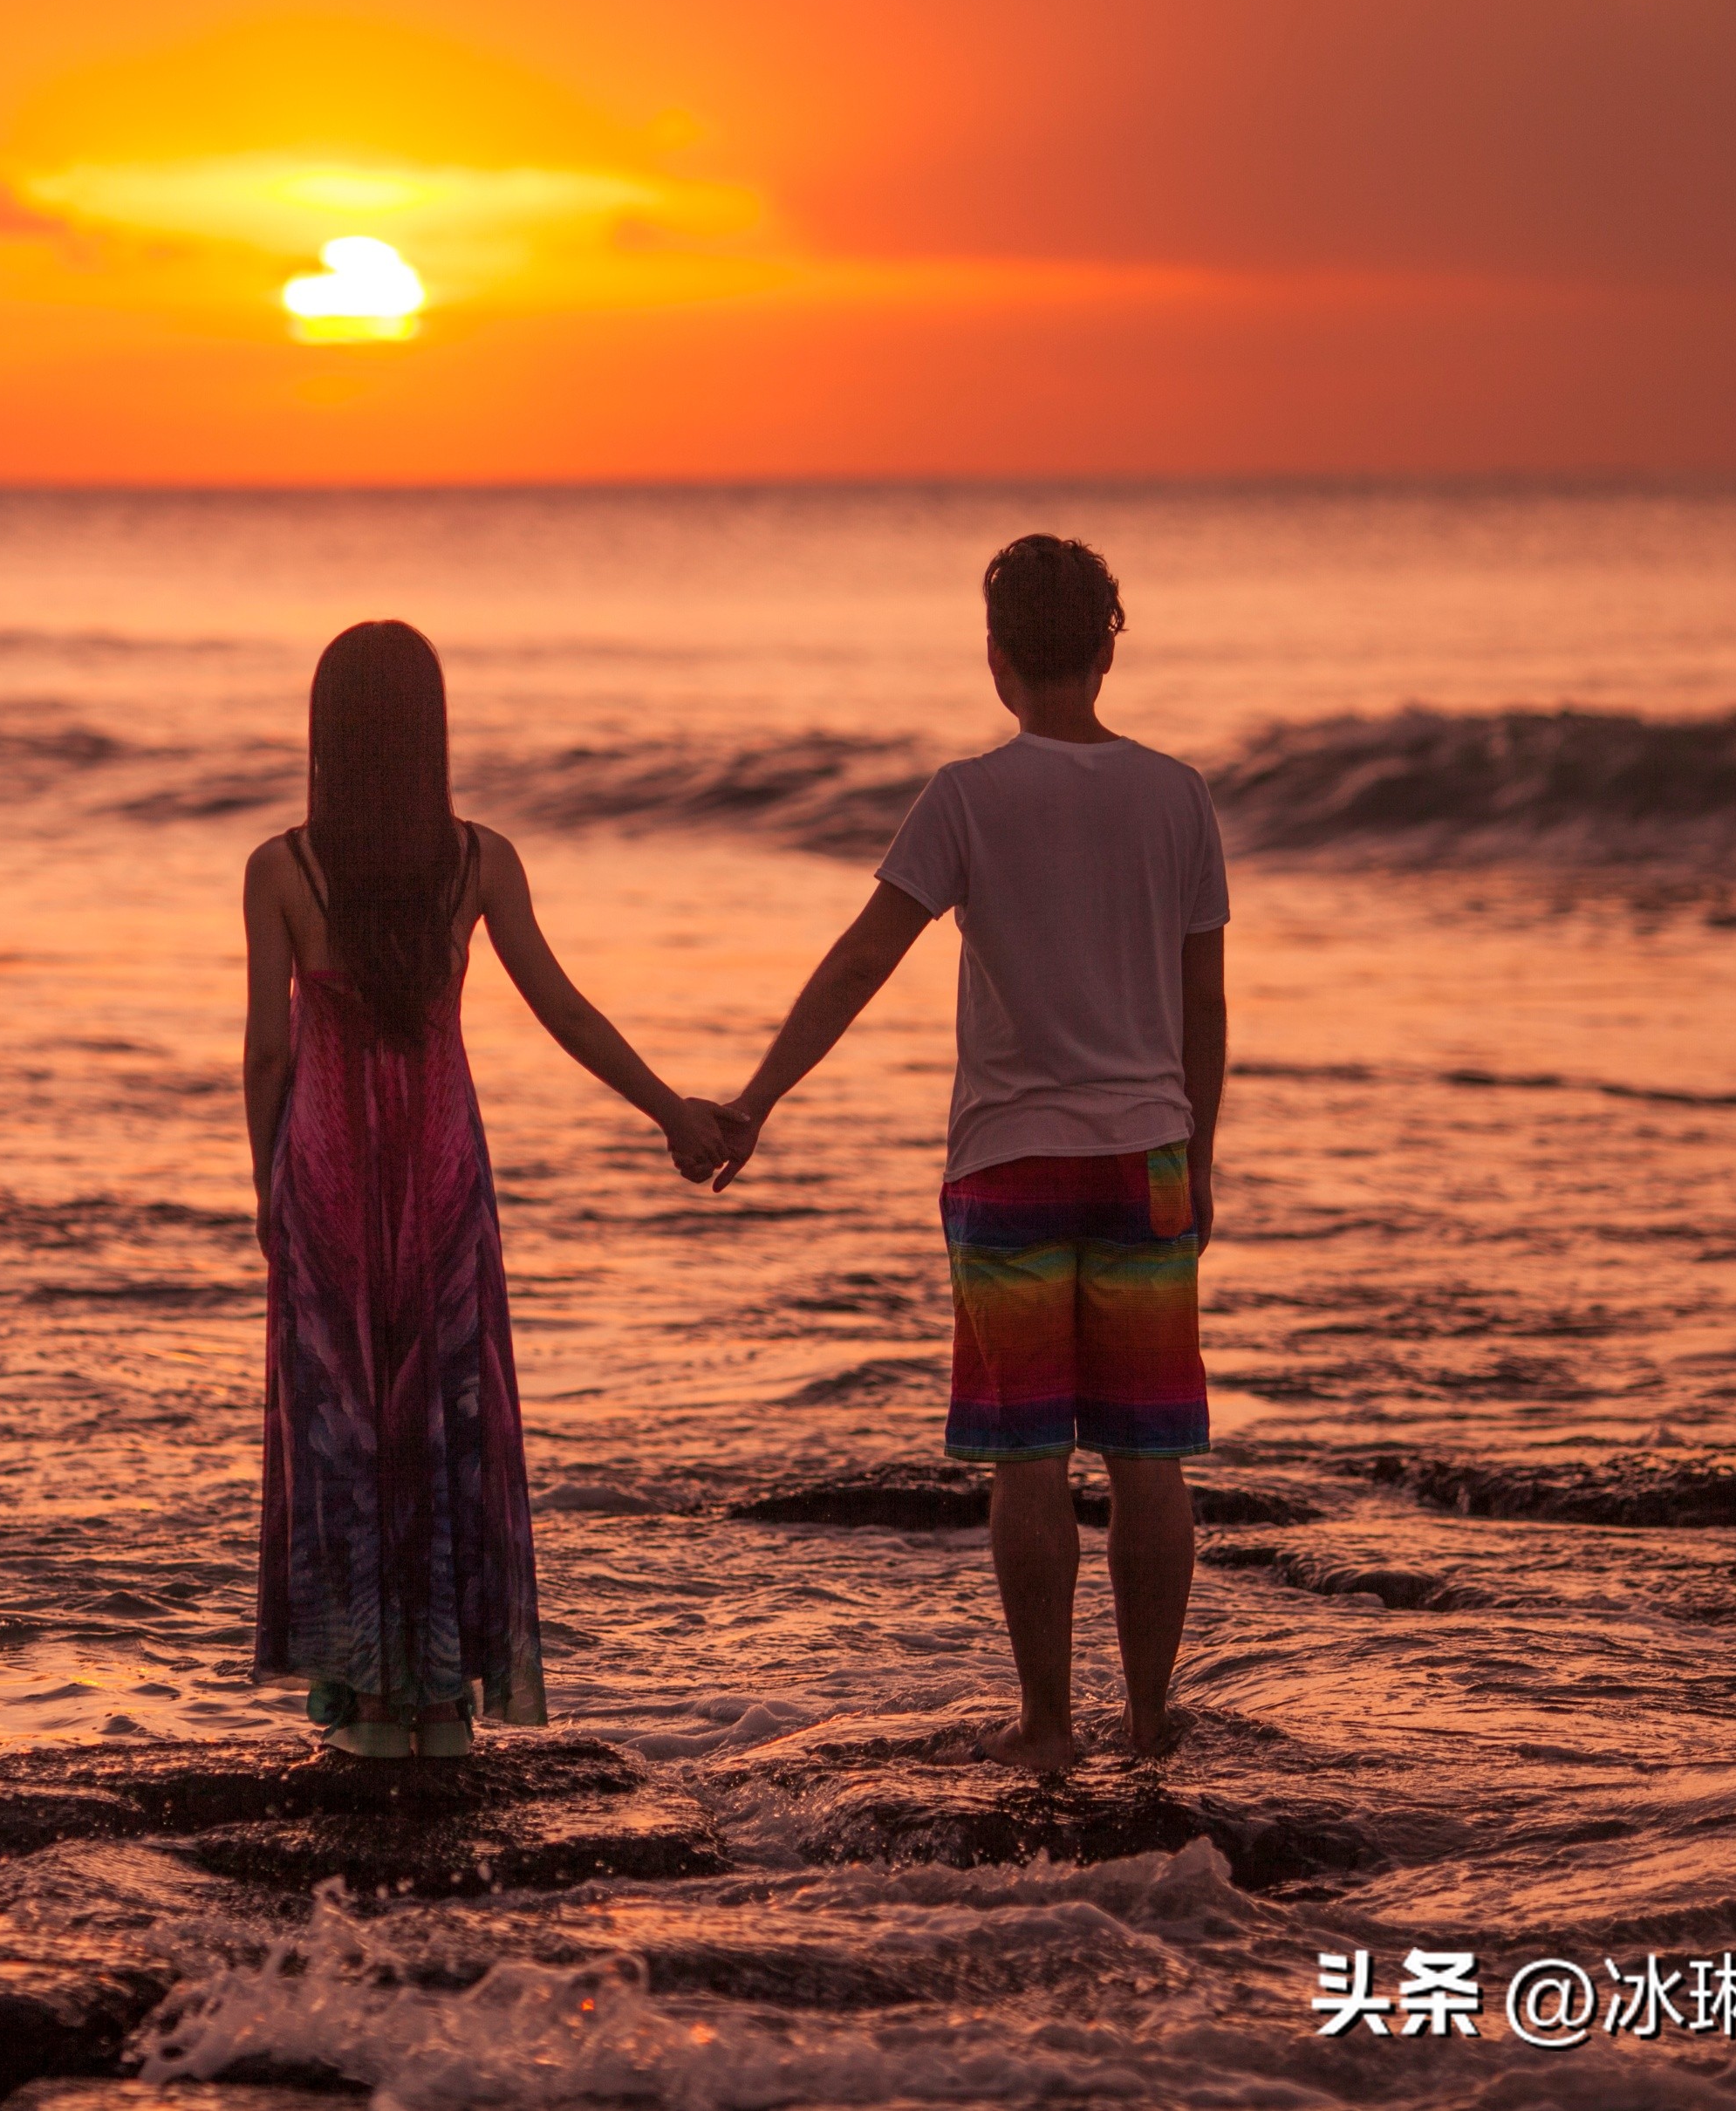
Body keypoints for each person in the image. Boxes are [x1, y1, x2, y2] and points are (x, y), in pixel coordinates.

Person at [706, 536, 1227, 1769]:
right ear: (1107, 647)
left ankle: (1046, 1725)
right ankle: (1149, 1720)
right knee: (1149, 1456)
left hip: (1005, 1164)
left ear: (995, 658)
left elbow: (857, 960)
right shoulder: (1176, 795)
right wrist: (1196, 1155)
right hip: (1145, 1153)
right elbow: (1203, 1003)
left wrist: (756, 1097)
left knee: (1027, 1458)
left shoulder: (965, 796)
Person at [246, 620, 725, 1759]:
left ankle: (364, 1701)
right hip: (440, 1167)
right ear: (430, 734)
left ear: (327, 733)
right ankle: (442, 1701)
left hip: (327, 1173)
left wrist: (267, 1190)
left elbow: (268, 1052)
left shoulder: (283, 868)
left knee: (341, 1421)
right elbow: (562, 1010)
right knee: (447, 1411)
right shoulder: (477, 861)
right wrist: (673, 1112)